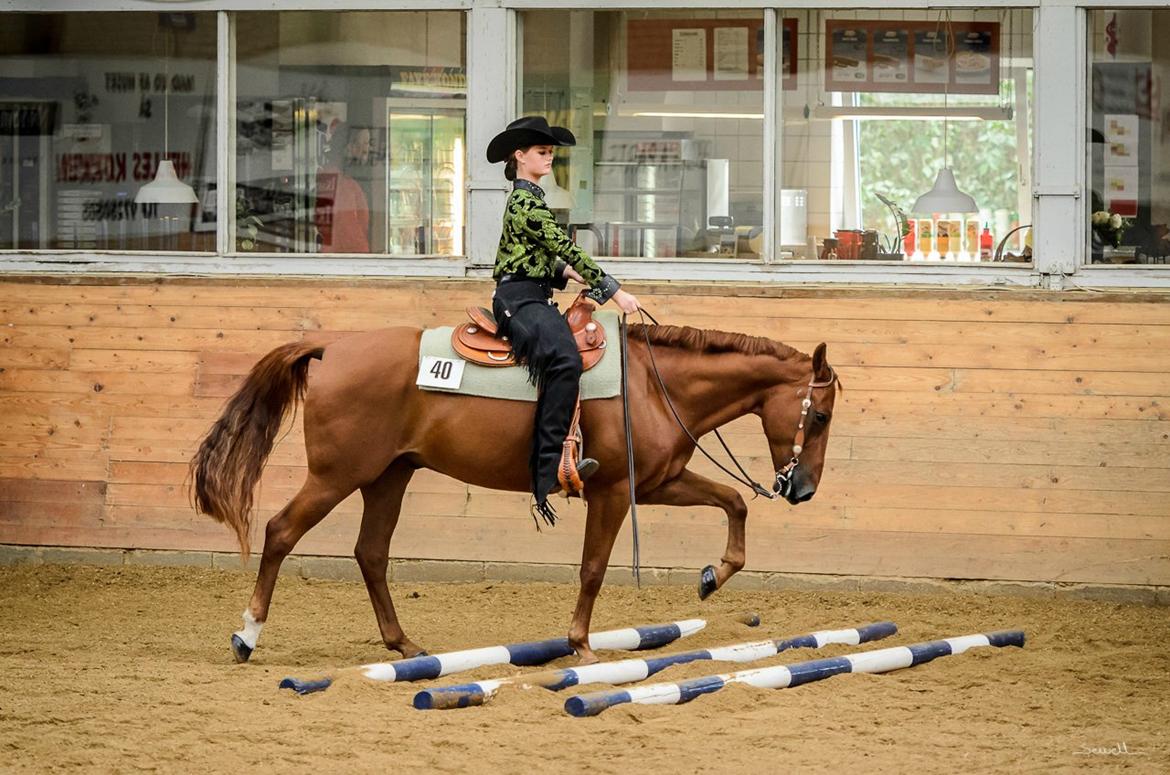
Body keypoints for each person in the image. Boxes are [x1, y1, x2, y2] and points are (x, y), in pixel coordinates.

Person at [487, 116, 641, 525]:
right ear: (520, 157)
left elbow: (526, 255)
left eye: (550, 151)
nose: (548, 156)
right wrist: (614, 290)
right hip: (517, 301)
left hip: (531, 293)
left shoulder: (531, 200)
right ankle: (550, 468)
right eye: (541, 151)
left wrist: (561, 275)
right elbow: (562, 246)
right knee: (566, 360)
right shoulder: (525, 202)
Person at [316, 122, 371, 253]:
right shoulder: (340, 182)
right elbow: (347, 228)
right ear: (348, 148)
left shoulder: (333, 177)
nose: (366, 149)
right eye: (363, 143)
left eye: (367, 143)